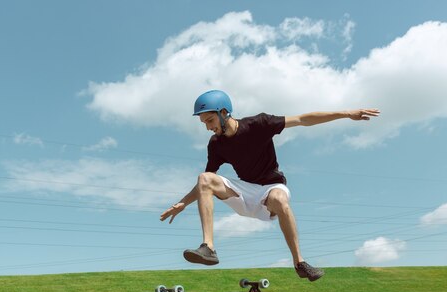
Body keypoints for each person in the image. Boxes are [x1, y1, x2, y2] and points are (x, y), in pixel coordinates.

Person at [160, 90, 379, 281]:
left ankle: (300, 263)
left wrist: (347, 113)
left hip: (271, 188)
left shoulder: (259, 124)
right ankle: (208, 248)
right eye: (204, 123)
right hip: (245, 194)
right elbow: (205, 183)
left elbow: (303, 119)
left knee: (279, 199)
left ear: (224, 112)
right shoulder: (216, 144)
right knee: (205, 178)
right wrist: (182, 203)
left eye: (210, 121)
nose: (208, 127)